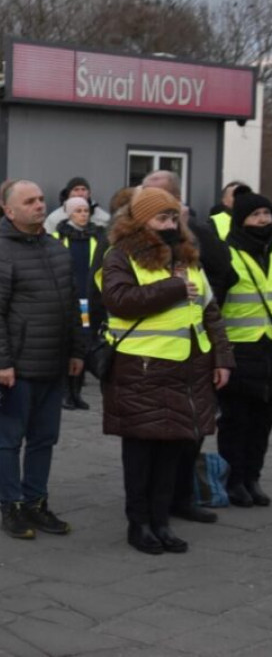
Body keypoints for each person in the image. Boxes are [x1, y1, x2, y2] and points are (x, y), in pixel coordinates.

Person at [100, 187, 232, 554]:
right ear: (140, 221)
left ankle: (161, 522)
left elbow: (210, 313)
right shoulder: (120, 256)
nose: (170, 224)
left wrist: (222, 358)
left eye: (173, 217)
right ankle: (138, 524)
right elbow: (119, 301)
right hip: (141, 369)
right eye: (162, 218)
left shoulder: (189, 257)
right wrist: (173, 287)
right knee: (141, 453)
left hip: (187, 369)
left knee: (172, 449)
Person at [0, 180, 85, 540]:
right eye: (30, 201)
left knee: (44, 439)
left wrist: (76, 351)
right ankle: (11, 507)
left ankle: (36, 503)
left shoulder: (55, 249)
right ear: (10, 211)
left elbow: (70, 303)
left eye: (41, 199)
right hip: (17, 369)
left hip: (53, 364)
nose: (40, 205)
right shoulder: (1, 253)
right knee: (10, 440)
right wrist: (3, 362)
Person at [141, 169, 233, 524]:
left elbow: (222, 276)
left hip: (194, 350)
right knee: (150, 436)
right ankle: (148, 505)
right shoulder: (128, 239)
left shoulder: (198, 237)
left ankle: (181, 496)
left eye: (157, 195)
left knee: (188, 431)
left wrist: (202, 308)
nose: (147, 199)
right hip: (150, 354)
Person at [217, 191, 272, 508]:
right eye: (256, 215)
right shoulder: (229, 254)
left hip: (268, 350)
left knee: (263, 421)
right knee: (236, 420)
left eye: (266, 213)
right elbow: (216, 307)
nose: (263, 220)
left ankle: (253, 477)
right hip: (238, 349)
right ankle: (233, 479)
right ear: (241, 220)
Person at [53, 195, 106, 411]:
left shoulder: (97, 236)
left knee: (85, 343)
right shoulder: (59, 236)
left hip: (90, 297)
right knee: (68, 343)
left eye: (86, 211)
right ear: (68, 213)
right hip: (69, 297)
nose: (83, 215)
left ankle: (77, 392)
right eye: (78, 211)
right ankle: (65, 391)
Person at [43, 176, 111, 233]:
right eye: (76, 190)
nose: (80, 193)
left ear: (89, 193)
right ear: (68, 193)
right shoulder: (54, 218)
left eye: (83, 189)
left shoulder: (102, 217)